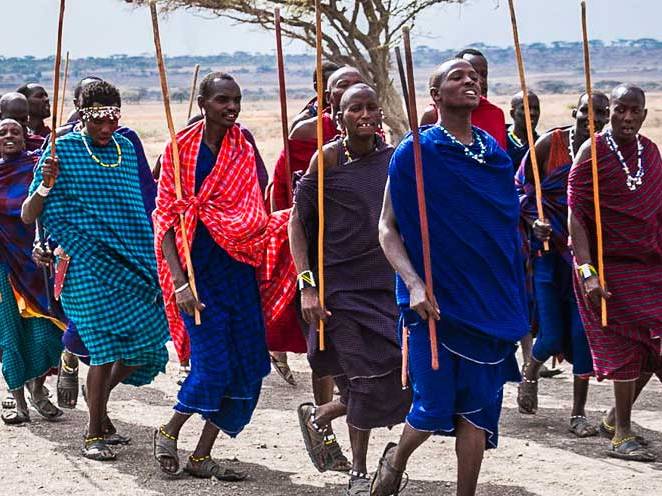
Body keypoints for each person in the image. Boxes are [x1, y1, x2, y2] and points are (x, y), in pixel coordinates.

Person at [372, 58, 528, 496]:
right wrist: (415, 283)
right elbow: (387, 227)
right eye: (456, 77)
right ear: (435, 95)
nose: (470, 80)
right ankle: (397, 459)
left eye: (473, 75)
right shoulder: (415, 151)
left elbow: (502, 227)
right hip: (435, 302)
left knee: (477, 410)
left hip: (489, 302)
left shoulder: (494, 154)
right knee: (433, 407)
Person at [151, 72, 295, 480]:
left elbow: (252, 213)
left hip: (240, 274)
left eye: (237, 100)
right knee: (212, 367)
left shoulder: (243, 148)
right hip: (198, 278)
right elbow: (164, 223)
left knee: (248, 366)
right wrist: (180, 283)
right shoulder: (180, 150)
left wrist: (290, 216)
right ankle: (168, 430)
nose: (231, 108)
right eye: (222, 100)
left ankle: (201, 455)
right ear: (202, 102)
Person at [22, 80, 170, 461]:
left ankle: (97, 402)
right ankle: (93, 434)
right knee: (102, 351)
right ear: (82, 115)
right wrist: (46, 184)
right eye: (98, 120)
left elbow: (138, 206)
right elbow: (28, 214)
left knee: (147, 342)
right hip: (83, 265)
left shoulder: (124, 147)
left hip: (132, 263)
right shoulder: (62, 151)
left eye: (112, 119)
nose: (106, 128)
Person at [289, 84, 411, 495]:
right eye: (354, 108)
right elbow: (297, 223)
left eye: (371, 108)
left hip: (385, 286)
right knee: (359, 381)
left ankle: (322, 415)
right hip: (337, 291)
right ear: (337, 117)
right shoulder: (326, 160)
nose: (365, 115)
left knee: (400, 374)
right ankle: (359, 471)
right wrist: (307, 286)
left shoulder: (395, 159)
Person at [568, 84, 661, 462]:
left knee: (653, 350)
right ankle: (622, 434)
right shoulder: (593, 151)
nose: (625, 117)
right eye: (619, 109)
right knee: (626, 350)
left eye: (633, 110)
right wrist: (588, 272)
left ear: (643, 113)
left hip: (650, 266)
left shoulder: (651, 153)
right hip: (607, 270)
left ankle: (611, 418)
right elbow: (575, 215)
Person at [515, 92, 610, 439]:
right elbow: (521, 189)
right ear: (576, 112)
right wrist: (532, 219)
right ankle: (530, 369)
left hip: (584, 257)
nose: (593, 119)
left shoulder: (607, 152)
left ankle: (578, 413)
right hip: (547, 254)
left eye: (601, 113)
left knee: (582, 334)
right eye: (587, 111)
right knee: (552, 333)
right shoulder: (548, 143)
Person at [0, 119, 64, 425]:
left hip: (39, 263)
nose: (9, 136)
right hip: (4, 267)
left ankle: (39, 391)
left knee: (47, 334)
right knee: (9, 334)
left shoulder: (37, 167)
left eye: (15, 131)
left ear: (26, 137)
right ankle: (19, 401)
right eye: (2, 133)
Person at [420, 49, 507, 149]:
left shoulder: (495, 113)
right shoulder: (432, 114)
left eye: (483, 75)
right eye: (458, 77)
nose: (478, 81)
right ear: (436, 94)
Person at [289, 61, 341, 130]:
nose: (336, 89)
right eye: (330, 83)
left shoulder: (350, 115)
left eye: (340, 83)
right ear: (316, 87)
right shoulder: (303, 122)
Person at [506, 91, 541, 171]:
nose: (532, 113)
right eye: (525, 108)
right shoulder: (499, 142)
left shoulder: (541, 144)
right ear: (512, 113)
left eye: (536, 108)